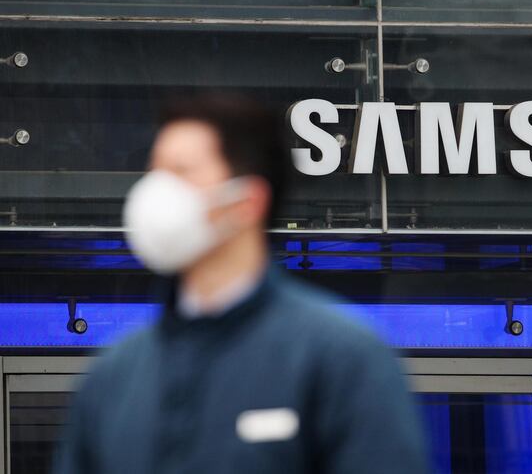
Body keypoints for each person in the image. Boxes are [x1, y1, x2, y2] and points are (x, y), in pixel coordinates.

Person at [53, 93, 429, 474]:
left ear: (247, 201)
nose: (156, 193)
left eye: (181, 172)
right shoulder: (116, 375)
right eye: (154, 172)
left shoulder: (340, 359)